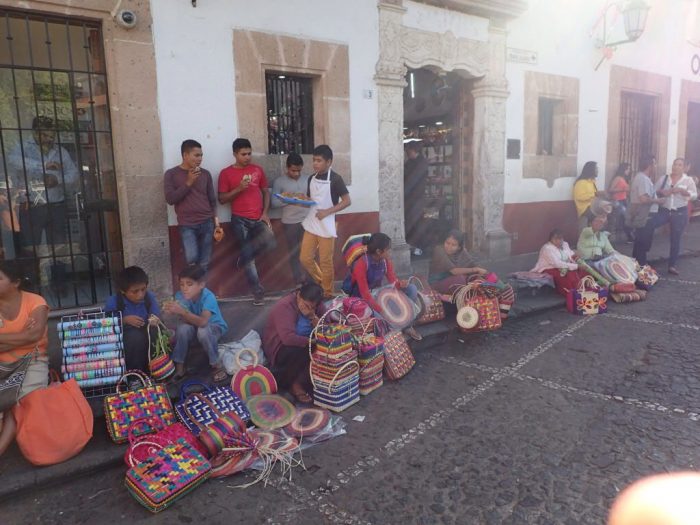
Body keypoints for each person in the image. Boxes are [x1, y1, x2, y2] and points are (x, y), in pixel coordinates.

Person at [8, 116, 79, 289]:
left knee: (59, 247)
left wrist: (57, 180)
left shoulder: (60, 151)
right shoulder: (23, 148)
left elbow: (74, 175)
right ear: (36, 133)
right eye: (46, 134)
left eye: (52, 134)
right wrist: (44, 165)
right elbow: (13, 161)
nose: (50, 138)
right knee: (31, 247)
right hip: (32, 206)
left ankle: (59, 284)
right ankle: (32, 286)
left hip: (57, 205)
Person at [218, 138, 276, 306]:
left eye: (249, 153)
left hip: (258, 218)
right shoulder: (226, 173)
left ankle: (244, 257)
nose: (247, 157)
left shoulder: (257, 170)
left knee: (270, 244)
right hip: (239, 220)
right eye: (243, 154)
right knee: (250, 260)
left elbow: (265, 192)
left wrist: (265, 213)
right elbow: (221, 199)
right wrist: (239, 189)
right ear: (235, 154)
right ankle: (258, 293)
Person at [0, 260, 49, 457]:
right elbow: (29, 337)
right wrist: (23, 338)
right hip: (3, 363)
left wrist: (10, 340)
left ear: (16, 282)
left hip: (33, 360)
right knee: (8, 401)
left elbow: (35, 335)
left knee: (22, 401)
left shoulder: (35, 302)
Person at [346, 233, 422, 341]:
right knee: (380, 317)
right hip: (362, 299)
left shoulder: (385, 261)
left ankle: (407, 325)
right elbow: (365, 294)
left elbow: (393, 281)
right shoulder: (361, 264)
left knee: (412, 289)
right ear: (378, 251)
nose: (390, 252)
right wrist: (382, 310)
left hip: (378, 294)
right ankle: (392, 331)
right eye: (388, 249)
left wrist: (401, 284)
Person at [300, 145, 351, 298]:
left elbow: (347, 201)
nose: (315, 163)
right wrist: (300, 201)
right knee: (305, 258)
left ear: (329, 162)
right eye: (314, 160)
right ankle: (322, 281)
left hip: (327, 224)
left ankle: (328, 293)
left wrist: (327, 212)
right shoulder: (311, 178)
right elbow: (311, 200)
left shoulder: (336, 179)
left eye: (319, 160)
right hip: (311, 222)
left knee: (325, 261)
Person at [262, 282, 325, 404]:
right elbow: (288, 338)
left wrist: (312, 317)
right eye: (306, 305)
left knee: (326, 347)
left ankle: (310, 380)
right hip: (281, 346)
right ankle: (293, 384)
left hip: (307, 341)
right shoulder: (284, 306)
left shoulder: (318, 306)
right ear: (299, 296)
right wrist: (312, 341)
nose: (310, 309)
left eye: (313, 307)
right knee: (302, 349)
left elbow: (325, 328)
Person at [163, 264, 228, 382]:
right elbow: (182, 319)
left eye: (189, 284)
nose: (184, 288)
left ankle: (216, 365)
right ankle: (180, 367)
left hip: (214, 328)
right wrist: (169, 312)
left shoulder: (209, 297)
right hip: (194, 327)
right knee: (183, 329)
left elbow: (203, 322)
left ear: (201, 285)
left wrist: (182, 312)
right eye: (182, 284)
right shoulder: (180, 296)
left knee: (203, 331)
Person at [164, 139, 218, 274]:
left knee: (205, 262)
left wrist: (216, 222)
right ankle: (193, 292)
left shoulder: (205, 174)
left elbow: (212, 199)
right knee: (191, 260)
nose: (200, 158)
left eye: (201, 155)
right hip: (187, 224)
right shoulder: (171, 174)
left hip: (207, 222)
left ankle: (203, 293)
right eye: (196, 155)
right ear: (185, 155)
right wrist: (189, 182)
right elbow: (170, 199)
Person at [429, 229, 516, 310]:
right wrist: (475, 269)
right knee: (461, 279)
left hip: (455, 280)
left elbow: (473, 264)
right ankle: (473, 303)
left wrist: (488, 275)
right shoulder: (439, 250)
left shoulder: (462, 252)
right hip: (438, 283)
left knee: (478, 278)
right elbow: (454, 271)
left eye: (453, 245)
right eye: (447, 243)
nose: (449, 247)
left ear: (459, 247)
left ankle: (499, 292)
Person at [104, 266, 160, 374]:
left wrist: (154, 319)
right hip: (126, 340)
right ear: (123, 291)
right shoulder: (114, 302)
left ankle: (155, 371)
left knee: (155, 333)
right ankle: (134, 375)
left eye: (143, 289)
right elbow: (106, 324)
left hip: (146, 333)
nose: (140, 295)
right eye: (135, 291)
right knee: (135, 337)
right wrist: (124, 320)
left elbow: (155, 315)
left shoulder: (149, 298)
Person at [651, 157, 698, 275]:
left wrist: (684, 192)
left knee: (675, 238)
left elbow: (694, 195)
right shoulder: (664, 178)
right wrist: (662, 192)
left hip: (680, 212)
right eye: (674, 164)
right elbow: (654, 191)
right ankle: (641, 257)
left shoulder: (688, 180)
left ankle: (672, 265)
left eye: (679, 165)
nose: (676, 167)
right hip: (664, 210)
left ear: (684, 167)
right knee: (649, 226)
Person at [271, 153, 311, 285]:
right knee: (294, 253)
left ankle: (311, 280)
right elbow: (274, 203)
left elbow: (315, 198)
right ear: (287, 168)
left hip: (308, 221)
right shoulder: (279, 182)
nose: (296, 173)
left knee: (309, 252)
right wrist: (290, 200)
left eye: (299, 170)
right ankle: (298, 282)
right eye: (293, 170)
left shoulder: (308, 179)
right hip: (290, 223)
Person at [629, 154, 665, 266]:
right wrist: (658, 201)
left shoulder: (642, 178)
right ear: (650, 165)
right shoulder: (643, 179)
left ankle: (637, 268)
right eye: (654, 163)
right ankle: (641, 270)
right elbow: (643, 198)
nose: (655, 166)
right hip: (646, 216)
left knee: (640, 244)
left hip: (644, 216)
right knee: (642, 245)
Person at [531, 229, 587, 296]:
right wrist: (576, 266)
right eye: (555, 239)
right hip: (549, 268)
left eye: (560, 238)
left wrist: (577, 260)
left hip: (564, 266)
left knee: (583, 271)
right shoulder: (547, 248)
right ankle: (571, 293)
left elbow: (570, 254)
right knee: (565, 274)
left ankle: (583, 290)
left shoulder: (565, 244)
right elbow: (557, 263)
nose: (558, 241)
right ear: (551, 239)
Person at [404, 141, 428, 256]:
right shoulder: (410, 162)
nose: (406, 152)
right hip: (409, 198)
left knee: (417, 222)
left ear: (414, 150)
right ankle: (412, 246)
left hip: (417, 197)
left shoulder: (422, 163)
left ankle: (420, 247)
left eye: (408, 150)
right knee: (409, 222)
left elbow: (412, 180)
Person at [573, 161, 607, 233]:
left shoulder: (592, 182)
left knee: (606, 211)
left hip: (592, 207)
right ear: (591, 170)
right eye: (596, 169)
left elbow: (594, 195)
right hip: (585, 209)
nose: (597, 171)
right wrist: (595, 194)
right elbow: (579, 197)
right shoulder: (581, 182)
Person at [608, 162, 634, 242]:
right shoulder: (618, 178)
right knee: (617, 219)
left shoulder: (624, 179)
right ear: (623, 169)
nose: (629, 171)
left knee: (624, 219)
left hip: (623, 200)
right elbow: (610, 189)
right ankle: (611, 237)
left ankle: (629, 236)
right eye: (628, 169)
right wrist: (623, 189)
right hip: (618, 201)